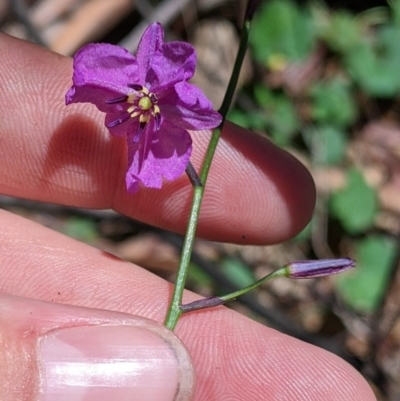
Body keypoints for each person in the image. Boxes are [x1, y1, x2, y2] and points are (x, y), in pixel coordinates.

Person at [0, 32, 376, 401]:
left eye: (146, 100)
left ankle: (283, 272)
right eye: (139, 101)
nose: (140, 104)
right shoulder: (136, 103)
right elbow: (90, 81)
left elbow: (200, 113)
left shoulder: (170, 105)